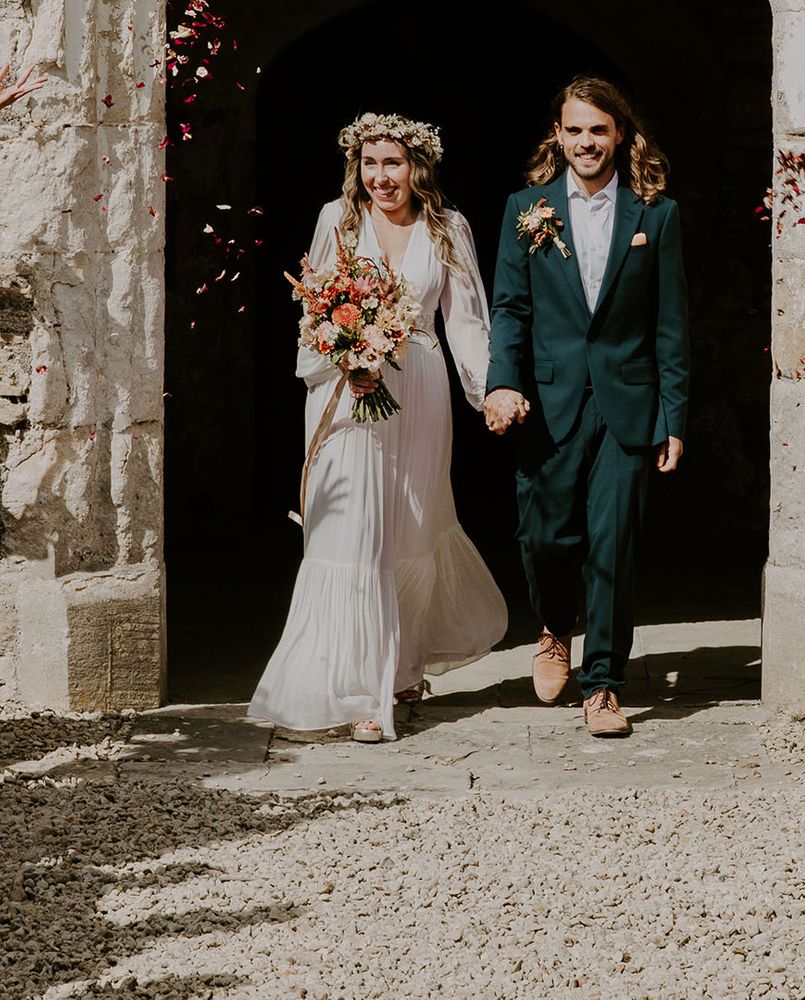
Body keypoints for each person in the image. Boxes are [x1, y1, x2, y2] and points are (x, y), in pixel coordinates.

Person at [249, 113, 507, 742]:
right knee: (350, 533)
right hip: (347, 391)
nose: (380, 177)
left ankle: (402, 664)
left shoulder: (448, 228)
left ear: (418, 167)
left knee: (412, 530)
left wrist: (490, 393)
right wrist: (345, 358)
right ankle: (359, 689)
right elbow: (313, 310)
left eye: (393, 163)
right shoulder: (336, 221)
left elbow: (466, 322)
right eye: (370, 163)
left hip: (419, 387)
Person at [484, 76, 689, 738]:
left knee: (614, 544)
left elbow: (670, 324)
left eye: (598, 129)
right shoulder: (527, 208)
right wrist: (500, 383)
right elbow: (510, 310)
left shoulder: (656, 214)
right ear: (558, 134)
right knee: (544, 536)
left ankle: (603, 686)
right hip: (550, 403)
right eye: (574, 130)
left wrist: (674, 417)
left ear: (620, 134)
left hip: (629, 403)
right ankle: (553, 624)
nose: (586, 142)